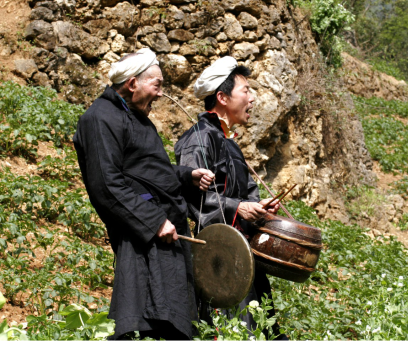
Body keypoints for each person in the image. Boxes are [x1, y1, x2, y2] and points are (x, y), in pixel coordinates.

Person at [73, 48, 215, 340]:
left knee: (173, 318)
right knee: (143, 321)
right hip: (142, 237)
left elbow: (150, 170)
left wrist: (187, 175)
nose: (161, 94)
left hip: (165, 232)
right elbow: (106, 185)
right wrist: (153, 222)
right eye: (157, 84)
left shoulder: (136, 118)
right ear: (133, 83)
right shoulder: (99, 118)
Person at [174, 56, 287, 339]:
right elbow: (194, 199)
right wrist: (239, 207)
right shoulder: (199, 138)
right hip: (217, 257)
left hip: (240, 253)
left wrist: (259, 206)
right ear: (222, 97)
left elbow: (246, 190)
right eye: (245, 91)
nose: (252, 99)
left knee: (254, 325)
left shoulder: (228, 141)